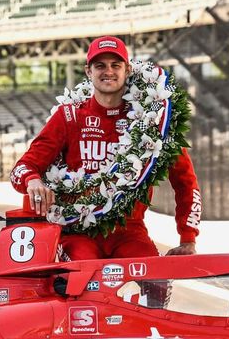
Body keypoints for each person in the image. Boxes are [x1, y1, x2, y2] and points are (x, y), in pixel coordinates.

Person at [11, 36, 201, 259]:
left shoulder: (152, 122)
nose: (108, 71)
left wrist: (188, 238)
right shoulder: (69, 116)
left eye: (115, 65)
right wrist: (32, 179)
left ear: (127, 70)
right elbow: (22, 168)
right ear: (88, 71)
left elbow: (186, 181)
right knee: (81, 278)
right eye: (100, 65)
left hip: (130, 233)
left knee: (156, 284)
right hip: (78, 233)